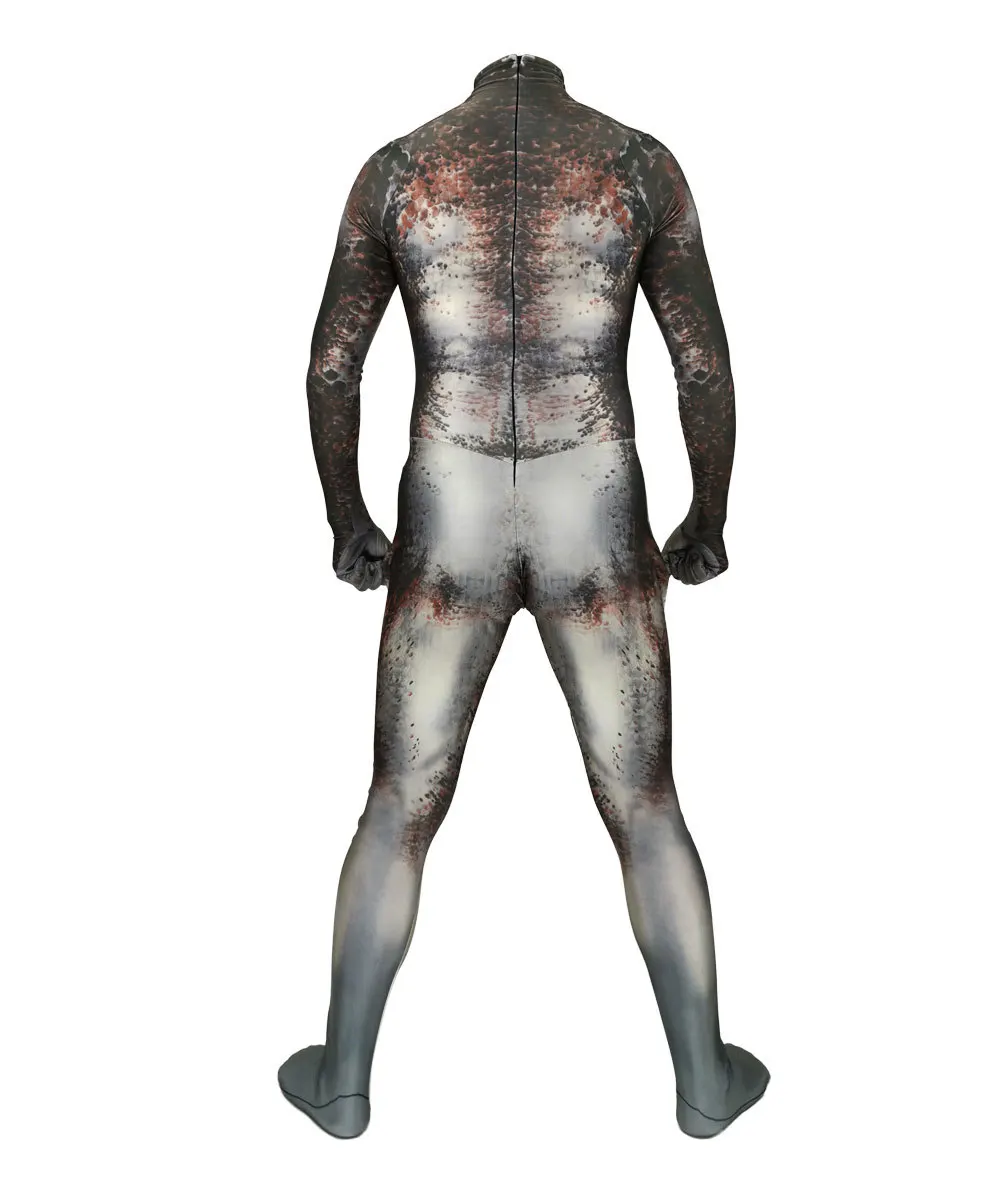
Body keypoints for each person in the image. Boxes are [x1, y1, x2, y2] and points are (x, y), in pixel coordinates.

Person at [277, 52, 769, 1140]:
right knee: (644, 801)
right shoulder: (636, 163)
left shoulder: (399, 168)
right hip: (593, 494)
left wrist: (346, 518)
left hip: (445, 494)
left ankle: (342, 1079)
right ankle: (704, 1080)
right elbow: (702, 368)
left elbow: (330, 369)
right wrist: (708, 516)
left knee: (398, 801)